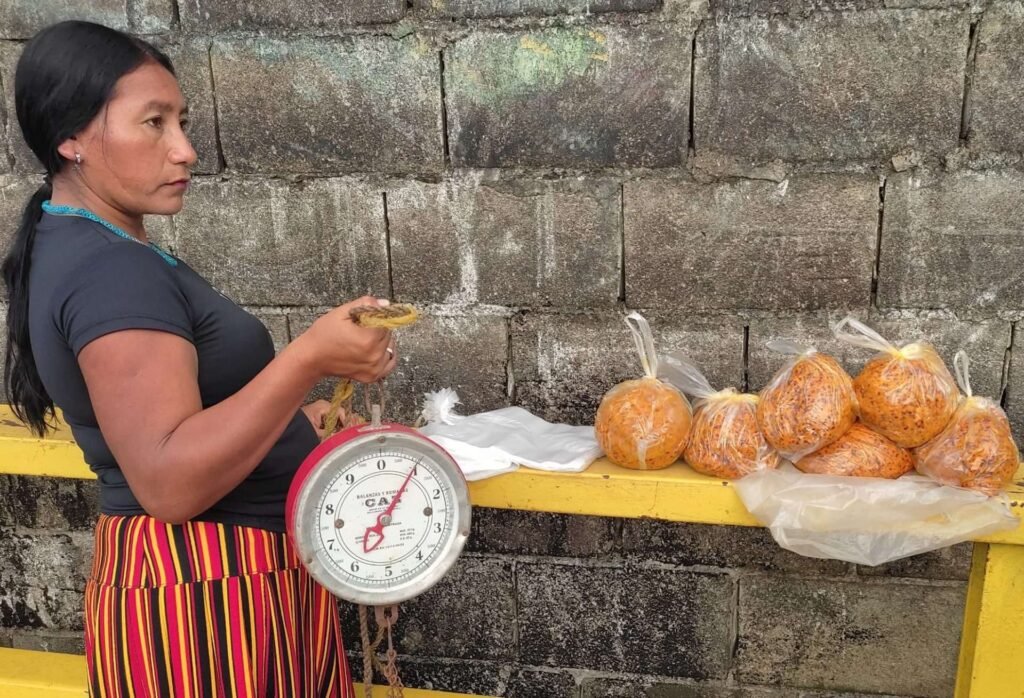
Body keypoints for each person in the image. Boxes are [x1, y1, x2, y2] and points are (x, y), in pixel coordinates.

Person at [2, 20, 396, 697]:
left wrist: (293, 422)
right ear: (71, 138)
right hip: (207, 601)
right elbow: (169, 483)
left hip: (217, 583)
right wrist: (308, 358)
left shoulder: (86, 243)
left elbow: (174, 414)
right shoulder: (110, 271)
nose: (184, 149)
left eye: (181, 121)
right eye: (152, 123)